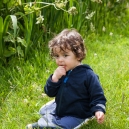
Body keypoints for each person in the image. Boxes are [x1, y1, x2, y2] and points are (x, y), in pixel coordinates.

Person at [26, 29, 107, 129]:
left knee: (64, 125)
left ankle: (48, 125)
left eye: (65, 55)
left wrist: (99, 110)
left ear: (79, 55)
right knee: (50, 112)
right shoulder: (61, 72)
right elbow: (50, 92)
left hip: (77, 114)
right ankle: (45, 122)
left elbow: (97, 96)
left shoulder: (88, 75)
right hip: (61, 109)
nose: (60, 60)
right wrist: (55, 78)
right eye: (57, 56)